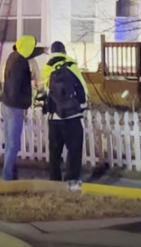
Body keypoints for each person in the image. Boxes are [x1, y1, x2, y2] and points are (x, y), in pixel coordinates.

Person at [40, 41, 89, 190]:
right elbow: (83, 90)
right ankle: (72, 186)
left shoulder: (47, 69)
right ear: (64, 51)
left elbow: (45, 93)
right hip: (72, 117)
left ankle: (54, 184)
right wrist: (82, 109)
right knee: (74, 152)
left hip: (54, 119)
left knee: (55, 153)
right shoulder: (72, 66)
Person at [0, 35, 38, 181]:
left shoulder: (13, 56)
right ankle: (7, 178)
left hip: (6, 105)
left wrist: (42, 50)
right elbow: (17, 87)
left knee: (9, 144)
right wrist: (24, 105)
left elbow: (28, 51)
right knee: (13, 145)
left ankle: (9, 175)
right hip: (14, 107)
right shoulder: (20, 63)